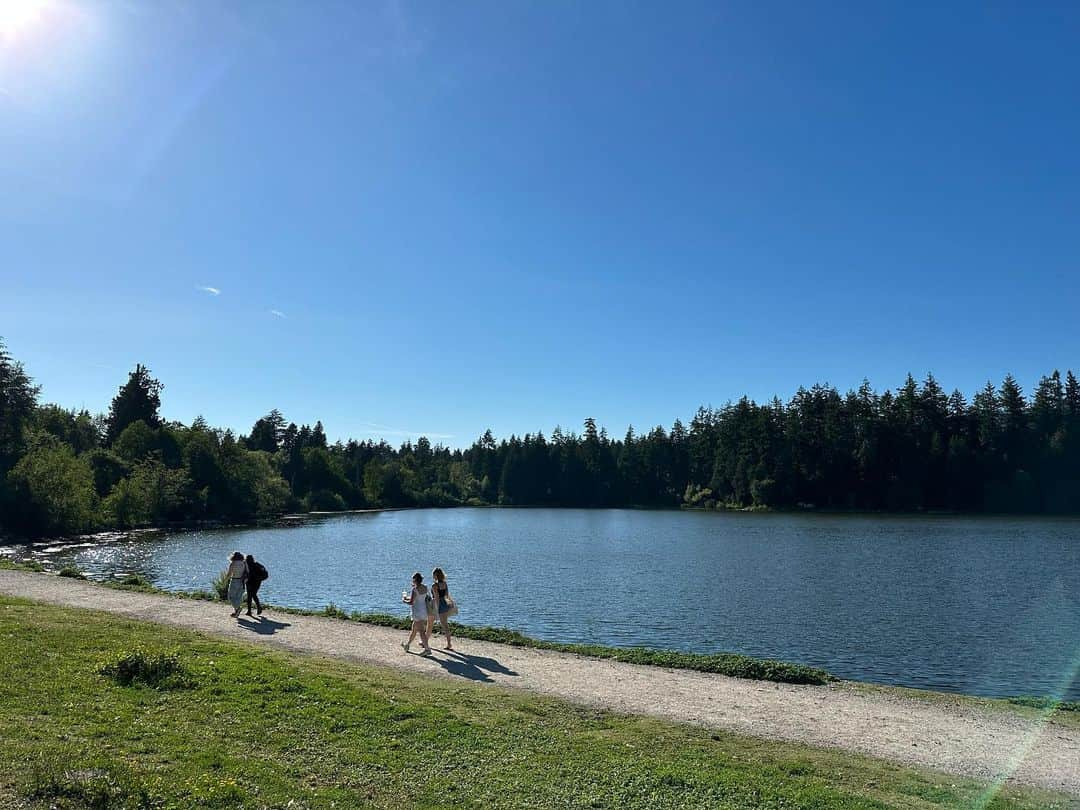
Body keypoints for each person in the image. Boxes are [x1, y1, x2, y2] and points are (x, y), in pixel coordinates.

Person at [400, 572, 432, 656]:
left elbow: (411, 602)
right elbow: (424, 598)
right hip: (424, 611)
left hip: (417, 612)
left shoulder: (414, 590)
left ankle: (427, 649)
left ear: (415, 580)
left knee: (421, 631)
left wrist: (404, 600)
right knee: (414, 629)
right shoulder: (425, 587)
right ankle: (407, 644)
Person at [427, 567, 454, 650]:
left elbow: (437, 597)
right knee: (445, 625)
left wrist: (436, 609)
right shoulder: (445, 584)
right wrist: (450, 603)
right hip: (445, 604)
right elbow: (446, 595)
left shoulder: (434, 585)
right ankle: (449, 643)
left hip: (437, 605)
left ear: (435, 575)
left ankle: (425, 641)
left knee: (430, 623)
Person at [226, 551, 247, 618]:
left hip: (234, 580)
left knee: (231, 597)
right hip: (242, 581)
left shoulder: (233, 564)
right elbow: (248, 572)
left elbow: (229, 574)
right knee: (238, 597)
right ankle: (236, 612)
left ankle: (238, 608)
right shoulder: (244, 563)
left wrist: (225, 580)